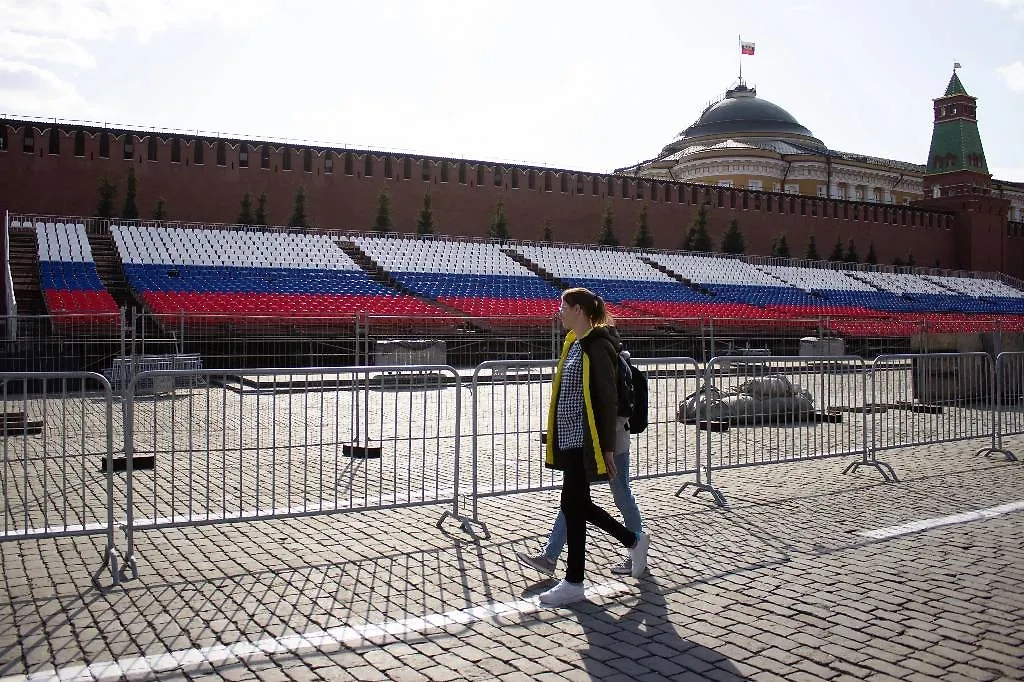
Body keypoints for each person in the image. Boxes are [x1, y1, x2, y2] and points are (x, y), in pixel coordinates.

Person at [529, 287, 650, 606]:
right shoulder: (574, 343)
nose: (559, 312)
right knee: (576, 505)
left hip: (586, 440)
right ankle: (631, 542)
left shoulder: (597, 346)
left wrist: (606, 448)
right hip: (570, 438)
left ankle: (575, 580)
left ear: (579, 311)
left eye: (563, 307)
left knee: (574, 504)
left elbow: (607, 400)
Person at [516, 351, 645, 577]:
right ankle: (551, 556)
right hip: (590, 443)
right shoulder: (588, 353)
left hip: (609, 444)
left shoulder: (605, 356)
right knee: (575, 498)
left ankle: (636, 544)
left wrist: (603, 442)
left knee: (618, 496)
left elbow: (617, 408)